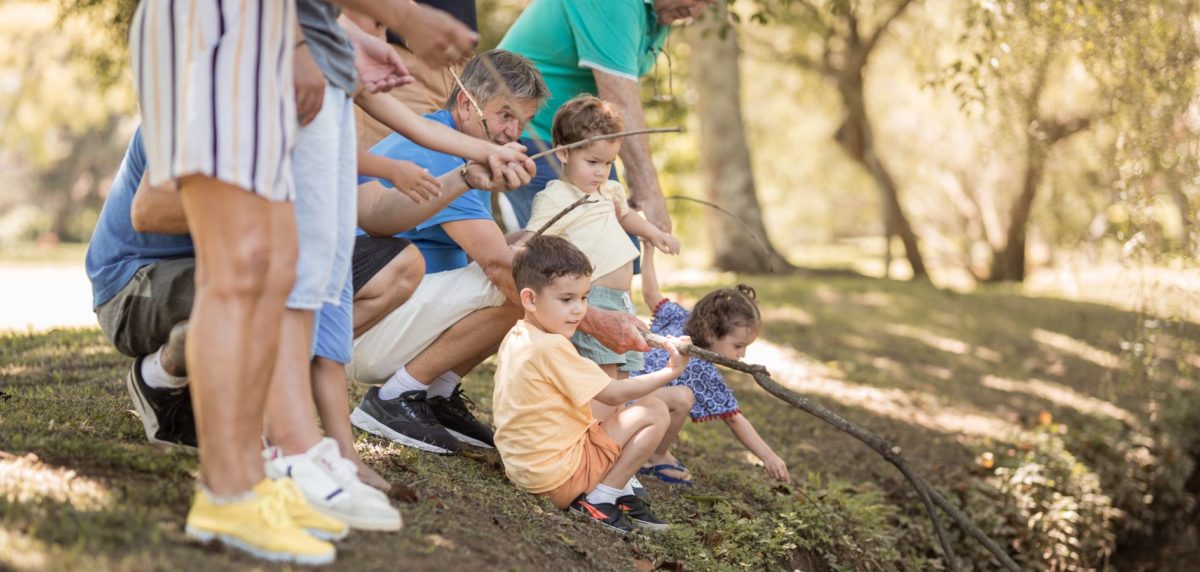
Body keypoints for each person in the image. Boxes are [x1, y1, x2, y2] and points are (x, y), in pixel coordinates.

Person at [346, 51, 652, 456]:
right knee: (525, 285)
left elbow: (484, 249)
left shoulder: (465, 146)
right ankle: (396, 397)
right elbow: (495, 264)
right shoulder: (440, 153)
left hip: (388, 316)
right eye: (505, 115)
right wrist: (595, 320)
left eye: (522, 122)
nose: (513, 132)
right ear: (465, 103)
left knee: (527, 266)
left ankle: (435, 394)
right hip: (359, 328)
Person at [492, 235, 687, 534]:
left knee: (613, 414)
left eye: (584, 298)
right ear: (530, 299)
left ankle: (615, 490)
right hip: (557, 479)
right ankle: (602, 497)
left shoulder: (519, 337)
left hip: (528, 471)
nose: (579, 310)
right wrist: (670, 371)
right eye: (566, 299)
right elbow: (613, 393)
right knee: (654, 411)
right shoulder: (551, 348)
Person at [498, 0, 717, 231]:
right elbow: (620, 102)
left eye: (709, 4)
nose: (696, 12)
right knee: (574, 250)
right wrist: (650, 195)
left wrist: (634, 173)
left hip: (586, 139)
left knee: (620, 246)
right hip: (532, 134)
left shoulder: (657, 13)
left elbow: (623, 94)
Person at [634, 243, 790, 484]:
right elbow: (735, 420)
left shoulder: (678, 316)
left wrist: (649, 250)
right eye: (738, 346)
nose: (742, 355)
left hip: (623, 398)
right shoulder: (703, 369)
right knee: (683, 398)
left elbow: (650, 293)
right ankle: (656, 455)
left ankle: (650, 449)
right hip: (628, 404)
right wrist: (769, 457)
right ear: (709, 332)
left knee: (676, 397)